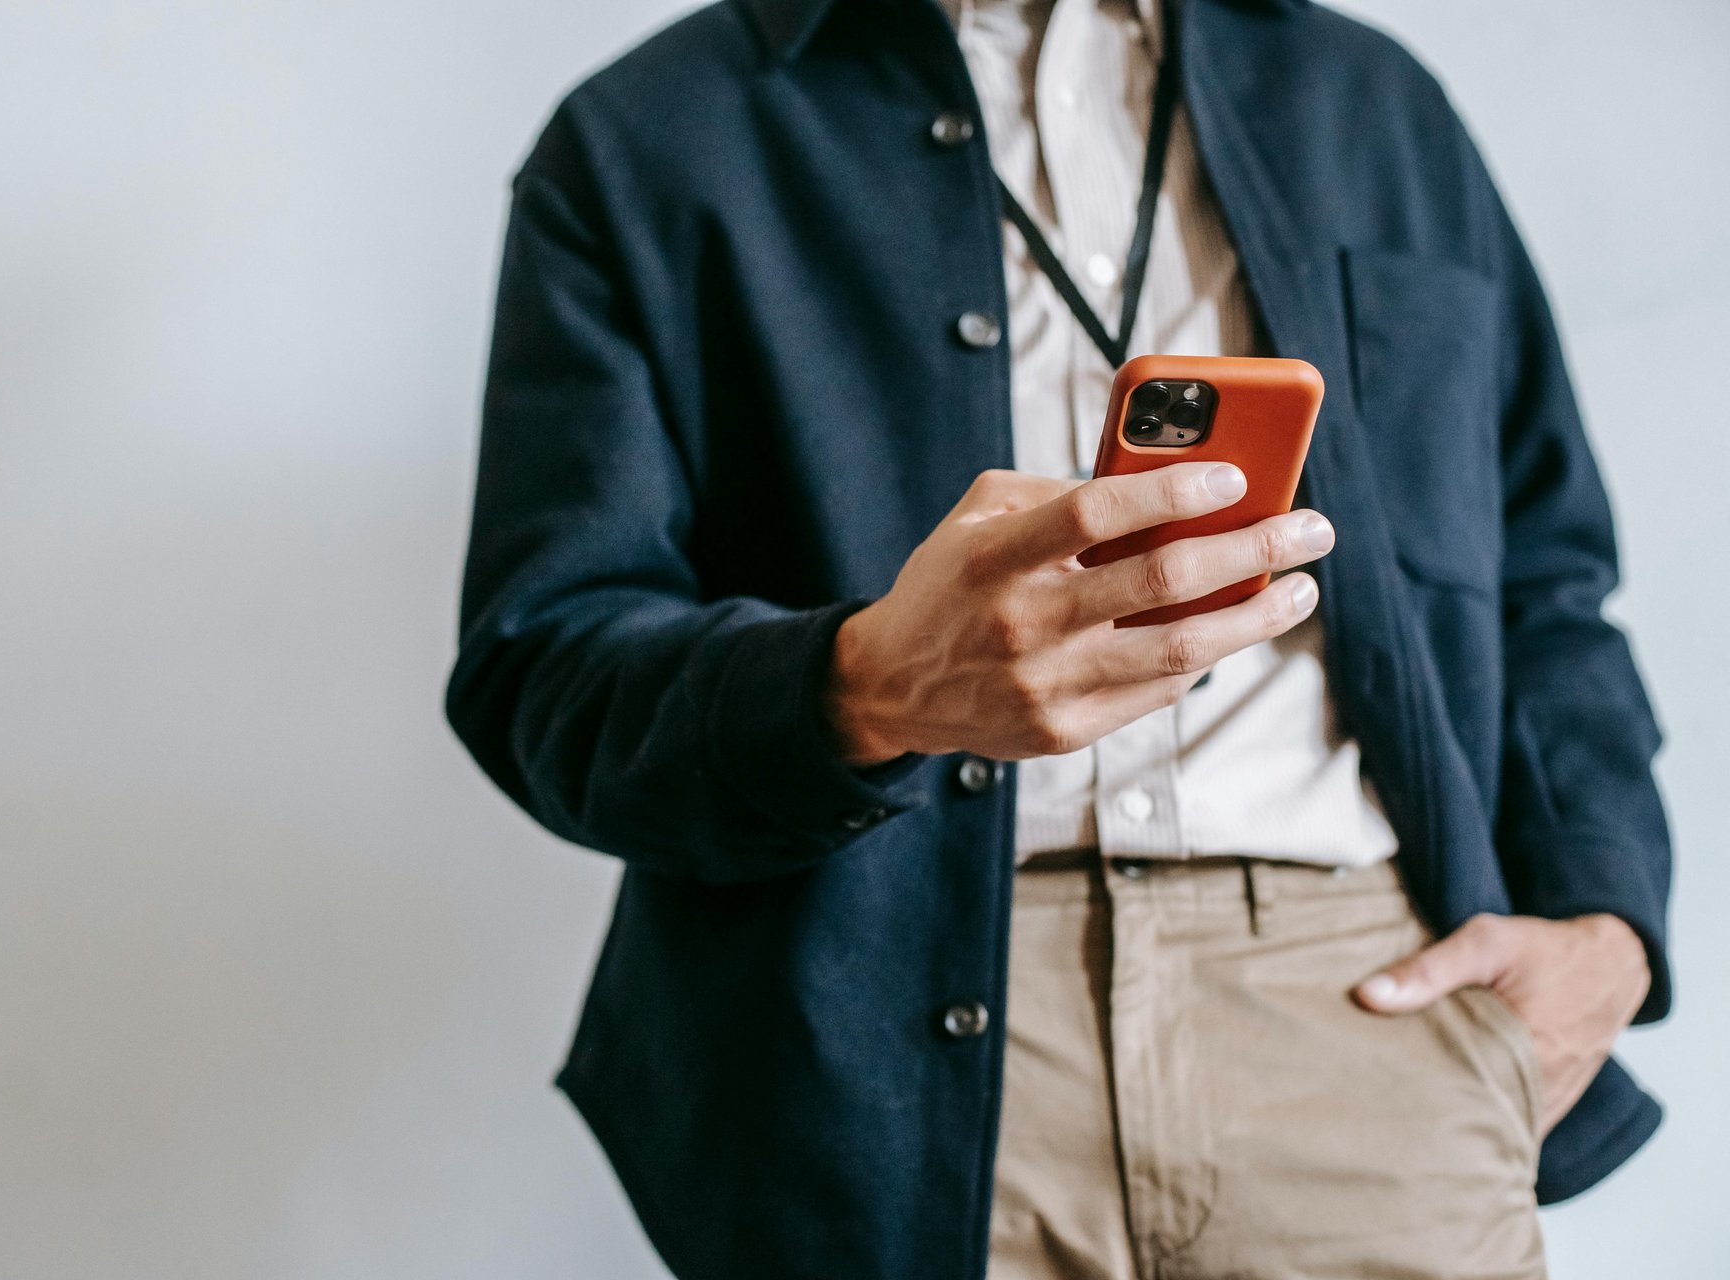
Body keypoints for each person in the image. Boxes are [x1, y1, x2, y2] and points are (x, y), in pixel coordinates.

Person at [447, 0, 1673, 1275]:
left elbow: (1548, 576)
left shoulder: (1376, 104)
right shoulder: (644, 135)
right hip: (869, 1051)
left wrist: (1609, 921)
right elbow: (543, 667)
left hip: (1366, 1008)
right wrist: (861, 688)